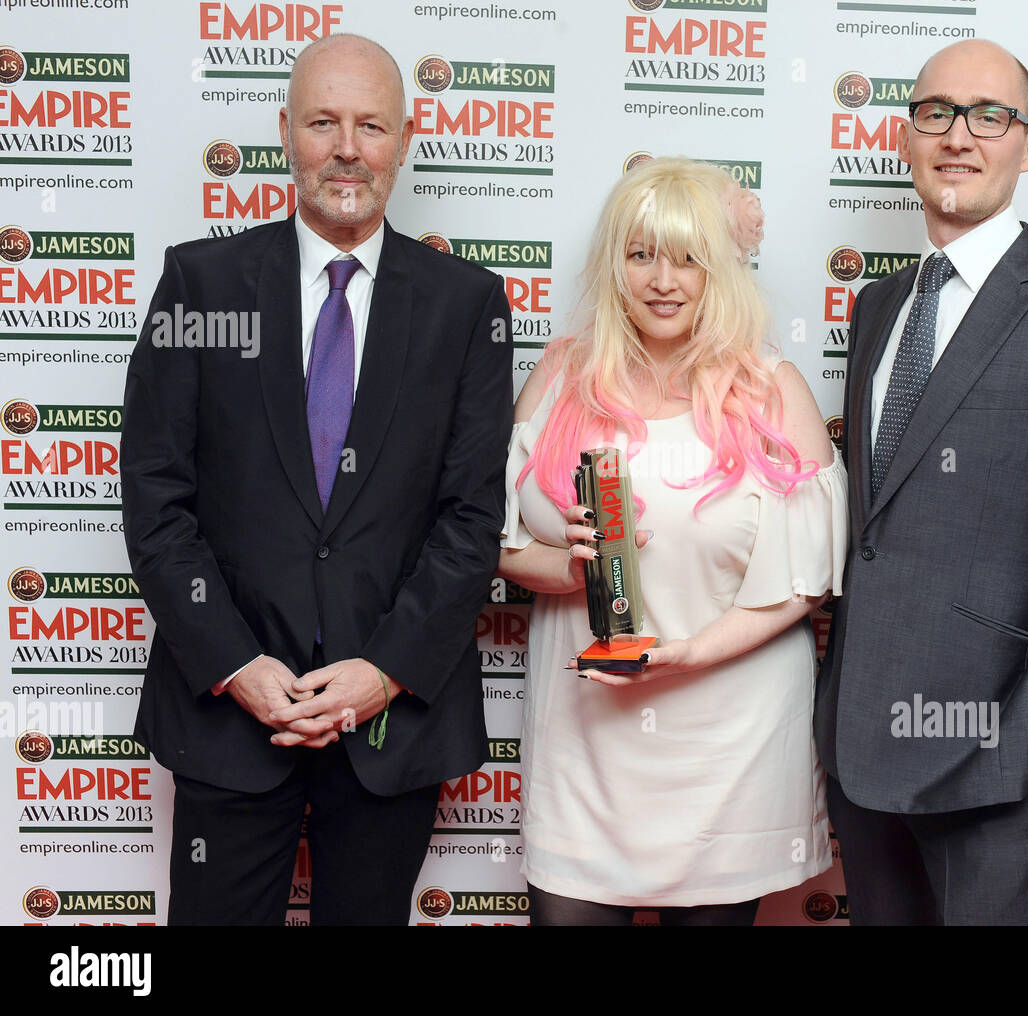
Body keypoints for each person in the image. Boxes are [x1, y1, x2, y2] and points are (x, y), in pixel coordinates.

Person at [121, 34, 512, 925]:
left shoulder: (466, 307)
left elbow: (470, 517)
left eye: (371, 125)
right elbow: (155, 495)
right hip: (229, 718)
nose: (347, 148)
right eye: (323, 122)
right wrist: (232, 664)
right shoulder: (203, 286)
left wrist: (383, 671)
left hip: (389, 723)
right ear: (286, 133)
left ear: (404, 139)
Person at [816, 39, 1028, 925]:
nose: (959, 137)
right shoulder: (879, 308)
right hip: (863, 751)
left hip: (1001, 766)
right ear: (905, 137)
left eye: (990, 116)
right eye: (935, 112)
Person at [498, 157, 846, 926]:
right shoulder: (561, 373)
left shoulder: (771, 387)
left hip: (731, 740)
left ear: (721, 268)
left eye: (689, 257)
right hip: (585, 742)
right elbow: (501, 540)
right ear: (613, 262)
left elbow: (807, 580)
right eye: (642, 253)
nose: (664, 280)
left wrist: (687, 654)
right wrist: (568, 566)